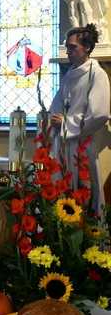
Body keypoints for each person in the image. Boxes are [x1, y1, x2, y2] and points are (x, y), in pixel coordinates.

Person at [49, 24, 110, 214]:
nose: (68, 51)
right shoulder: (69, 75)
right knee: (63, 195)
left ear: (87, 48)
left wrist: (67, 124)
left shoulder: (96, 75)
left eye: (73, 47)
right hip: (64, 144)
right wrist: (51, 122)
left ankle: (89, 239)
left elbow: (99, 114)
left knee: (86, 195)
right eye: (67, 47)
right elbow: (56, 107)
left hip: (83, 145)